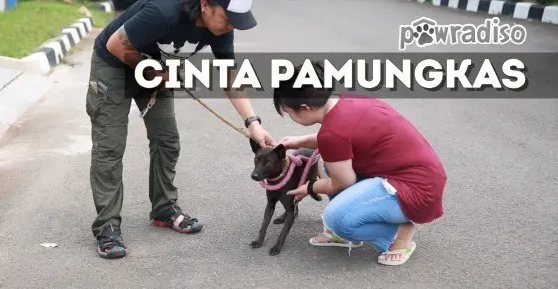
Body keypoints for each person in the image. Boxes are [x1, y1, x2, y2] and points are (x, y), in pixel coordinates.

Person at [86, 0, 275, 259]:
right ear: (205, 4)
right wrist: (154, 72)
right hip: (114, 64)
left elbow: (229, 75)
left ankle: (164, 209)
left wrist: (253, 123)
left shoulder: (220, 28)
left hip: (155, 68)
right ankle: (107, 225)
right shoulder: (163, 12)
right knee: (111, 145)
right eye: (228, 18)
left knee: (167, 140)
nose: (231, 25)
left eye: (235, 21)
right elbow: (116, 44)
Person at [274, 63, 447, 266]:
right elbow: (339, 139)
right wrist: (300, 141)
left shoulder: (333, 133)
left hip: (415, 189)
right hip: (422, 175)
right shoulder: (347, 100)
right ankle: (354, 225)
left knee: (337, 219)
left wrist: (309, 187)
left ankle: (398, 234)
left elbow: (341, 182)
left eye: (288, 111)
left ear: (304, 108)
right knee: (327, 161)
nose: (289, 117)